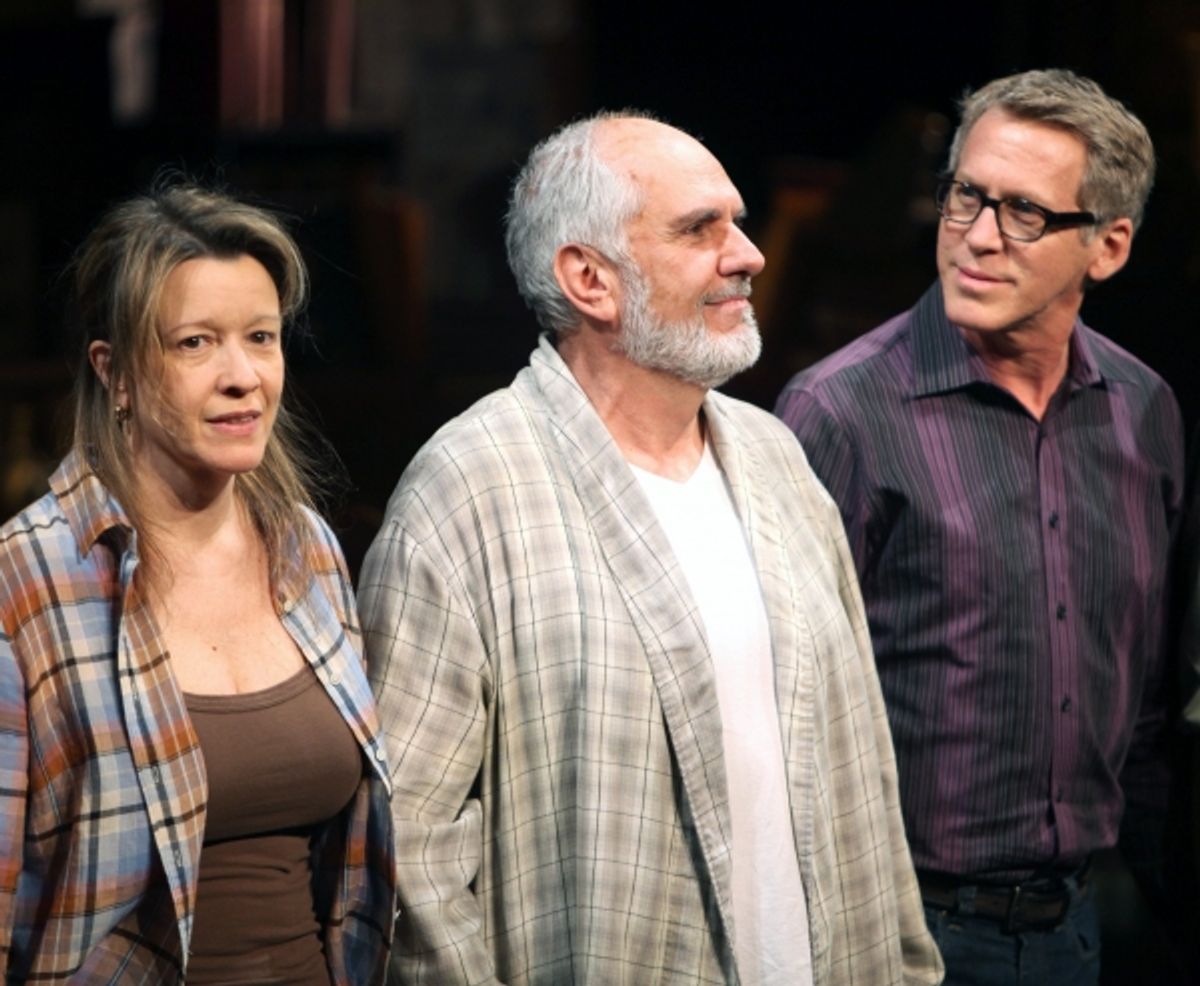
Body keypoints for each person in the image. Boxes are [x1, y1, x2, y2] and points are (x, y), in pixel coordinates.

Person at [359, 112, 942, 986]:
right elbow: (405, 842)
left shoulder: (776, 461)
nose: (747, 254)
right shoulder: (469, 492)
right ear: (590, 278)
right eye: (699, 229)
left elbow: (861, 765)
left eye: (736, 224)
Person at [775, 69, 1182, 985]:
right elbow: (782, 710)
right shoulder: (839, 413)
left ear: (1108, 247)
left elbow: (1147, 695)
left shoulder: (1143, 410)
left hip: (1081, 922)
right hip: (898, 927)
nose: (980, 239)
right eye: (968, 197)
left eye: (1027, 214)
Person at [0, 183, 395, 984]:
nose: (243, 376)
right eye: (195, 344)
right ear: (113, 372)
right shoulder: (31, 578)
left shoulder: (306, 550)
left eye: (261, 337)